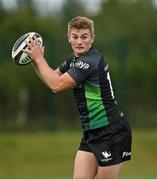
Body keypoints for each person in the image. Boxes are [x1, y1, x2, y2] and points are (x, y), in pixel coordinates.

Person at [23, 16, 132, 179]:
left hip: (111, 130)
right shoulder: (73, 60)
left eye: (84, 36)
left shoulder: (90, 61)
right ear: (69, 38)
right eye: (75, 37)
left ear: (92, 38)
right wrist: (35, 61)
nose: (79, 41)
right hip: (91, 132)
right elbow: (51, 79)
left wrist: (40, 59)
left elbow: (56, 85)